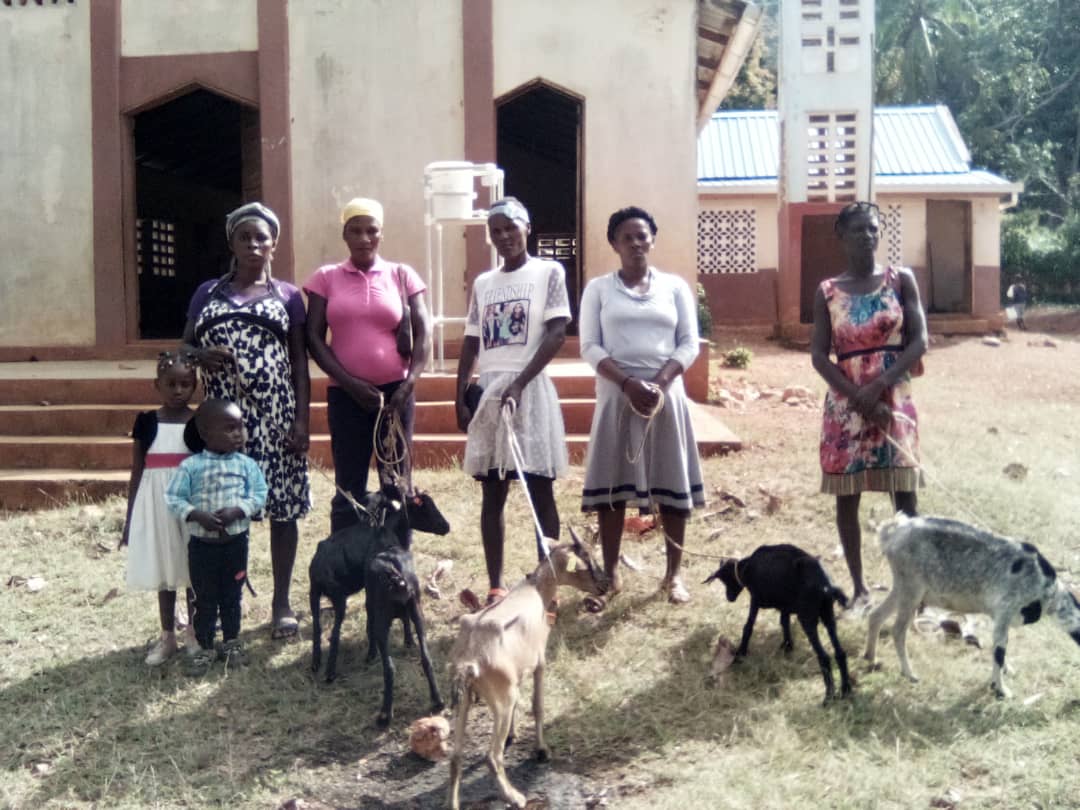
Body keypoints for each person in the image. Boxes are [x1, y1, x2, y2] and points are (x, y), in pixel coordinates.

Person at [181, 202, 310, 640]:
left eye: (262, 238)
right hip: (222, 420)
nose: (254, 245)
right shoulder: (207, 294)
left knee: (281, 508)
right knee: (219, 508)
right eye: (245, 237)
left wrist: (301, 423)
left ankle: (281, 603)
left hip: (275, 414)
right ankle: (217, 602)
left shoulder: (289, 297)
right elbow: (182, 351)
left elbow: (299, 364)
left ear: (274, 243)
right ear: (232, 243)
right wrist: (199, 355)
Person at [579, 206, 704, 607]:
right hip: (618, 397)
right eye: (627, 237)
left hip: (666, 397)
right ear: (613, 243)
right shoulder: (598, 290)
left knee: (672, 485)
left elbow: (689, 342)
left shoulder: (674, 288)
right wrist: (629, 384)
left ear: (652, 239)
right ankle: (612, 573)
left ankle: (673, 576)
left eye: (642, 235)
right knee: (613, 487)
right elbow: (590, 345)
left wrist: (660, 383)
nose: (636, 243)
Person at [455, 197, 571, 605]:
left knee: (539, 488)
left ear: (527, 228)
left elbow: (556, 332)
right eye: (496, 230)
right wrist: (461, 395)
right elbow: (472, 341)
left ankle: (547, 582)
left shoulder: (548, 272)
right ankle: (495, 584)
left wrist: (520, 384)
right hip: (490, 393)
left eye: (511, 228)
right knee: (493, 491)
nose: (504, 236)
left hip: (530, 389)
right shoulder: (485, 284)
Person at [810, 201, 927, 603]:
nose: (867, 235)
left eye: (873, 229)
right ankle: (858, 586)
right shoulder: (827, 291)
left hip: (893, 395)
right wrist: (857, 395)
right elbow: (817, 356)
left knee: (904, 493)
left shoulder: (901, 280)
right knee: (848, 495)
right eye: (857, 229)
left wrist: (879, 388)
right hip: (846, 404)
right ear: (840, 236)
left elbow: (919, 341)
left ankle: (911, 587)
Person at [305, 198, 431, 532]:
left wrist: (409, 384)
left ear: (381, 234)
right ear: (344, 235)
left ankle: (395, 562)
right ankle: (344, 560)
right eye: (355, 230)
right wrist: (349, 383)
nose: (364, 238)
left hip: (394, 397)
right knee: (349, 483)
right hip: (347, 396)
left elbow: (424, 333)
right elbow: (314, 338)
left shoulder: (402, 276)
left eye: (371, 230)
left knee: (396, 481)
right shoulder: (326, 278)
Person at [166, 399, 268, 675]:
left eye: (240, 427)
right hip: (202, 547)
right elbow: (173, 498)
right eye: (230, 428)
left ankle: (232, 641)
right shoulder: (191, 467)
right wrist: (197, 515)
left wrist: (239, 510)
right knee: (204, 598)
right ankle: (205, 646)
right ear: (206, 433)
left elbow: (260, 494)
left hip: (235, 544)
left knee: (232, 595)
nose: (239, 433)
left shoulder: (246, 465)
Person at [120, 351, 202, 665]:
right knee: (165, 570)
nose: (179, 390)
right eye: (171, 384)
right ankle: (167, 635)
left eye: (186, 384)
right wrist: (130, 518)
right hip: (156, 504)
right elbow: (137, 470)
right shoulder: (146, 422)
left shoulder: (199, 422)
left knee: (192, 567)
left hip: (190, 505)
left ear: (195, 385)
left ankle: (194, 632)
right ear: (157, 385)